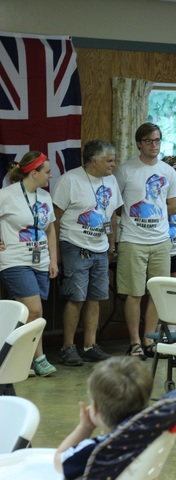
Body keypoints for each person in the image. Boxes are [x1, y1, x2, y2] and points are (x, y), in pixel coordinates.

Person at [115, 123, 176, 359]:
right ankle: (134, 342)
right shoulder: (126, 170)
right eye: (149, 141)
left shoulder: (168, 171)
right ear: (139, 144)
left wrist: (156, 211)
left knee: (156, 293)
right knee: (134, 294)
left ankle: (149, 340)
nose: (154, 145)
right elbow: (116, 206)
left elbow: (173, 205)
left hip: (161, 240)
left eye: (158, 141)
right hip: (132, 240)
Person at [54, 140, 123, 367]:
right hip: (74, 245)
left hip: (101, 248)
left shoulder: (111, 180)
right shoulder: (70, 179)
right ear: (93, 161)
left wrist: (112, 245)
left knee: (95, 298)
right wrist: (56, 253)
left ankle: (89, 345)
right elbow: (55, 217)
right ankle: (67, 347)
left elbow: (111, 214)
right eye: (109, 160)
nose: (113, 164)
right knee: (76, 298)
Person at [0, 151, 58, 376]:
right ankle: (39, 359)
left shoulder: (44, 196)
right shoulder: (7, 195)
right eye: (47, 172)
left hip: (40, 260)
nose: (50, 176)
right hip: (14, 261)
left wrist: (53, 259)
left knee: (31, 313)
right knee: (34, 311)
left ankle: (19, 359)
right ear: (34, 173)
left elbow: (50, 229)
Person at [53, 357, 153, 479]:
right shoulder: (151, 437)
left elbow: (59, 461)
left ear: (95, 409)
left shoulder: (94, 449)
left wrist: (84, 428)